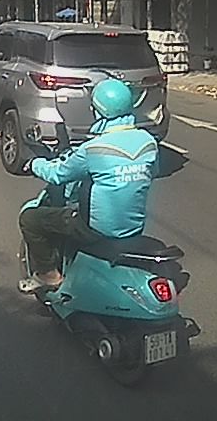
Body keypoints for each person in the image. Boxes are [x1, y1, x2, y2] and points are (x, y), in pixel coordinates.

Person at [17, 78, 159, 292]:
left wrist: (34, 163)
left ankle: (48, 276)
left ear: (97, 110)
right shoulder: (148, 142)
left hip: (96, 230)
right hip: (134, 227)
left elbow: (58, 174)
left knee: (30, 219)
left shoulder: (93, 149)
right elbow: (152, 172)